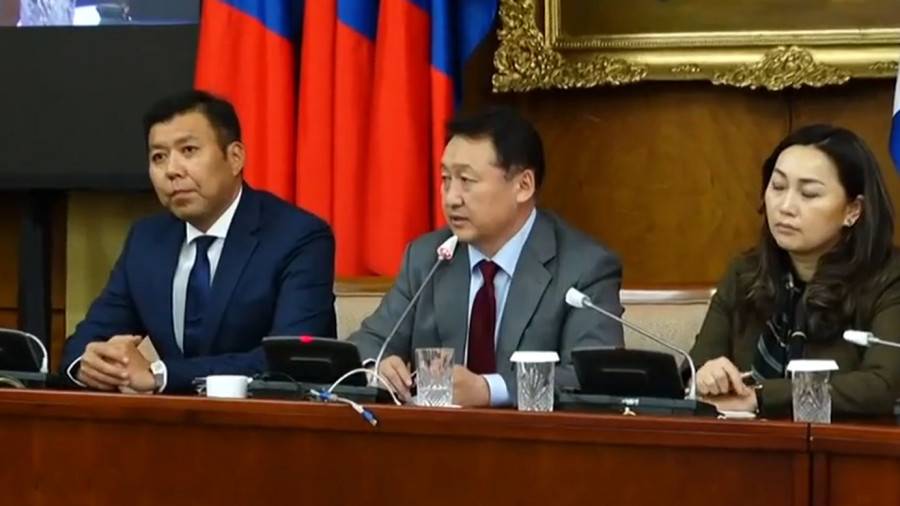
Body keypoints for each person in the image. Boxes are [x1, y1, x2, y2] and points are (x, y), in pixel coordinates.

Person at [61, 90, 336, 393]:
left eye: (189, 150)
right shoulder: (147, 240)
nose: (172, 171)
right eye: (158, 157)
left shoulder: (298, 237)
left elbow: (293, 361)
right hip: (168, 419)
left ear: (235, 158)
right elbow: (87, 340)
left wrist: (161, 374)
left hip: (265, 417)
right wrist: (90, 364)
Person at [349, 107, 624, 407]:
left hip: (532, 437)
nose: (451, 198)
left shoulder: (584, 268)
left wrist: (489, 390)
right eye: (445, 179)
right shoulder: (428, 258)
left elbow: (594, 378)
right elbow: (367, 343)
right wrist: (378, 366)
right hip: (433, 434)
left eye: (466, 180)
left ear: (523, 186)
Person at [691, 124, 900, 416]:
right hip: (743, 439)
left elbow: (881, 386)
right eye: (777, 187)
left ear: (853, 210)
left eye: (809, 194)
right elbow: (694, 366)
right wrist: (706, 376)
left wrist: (761, 396)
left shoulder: (890, 278)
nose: (786, 206)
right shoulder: (745, 273)